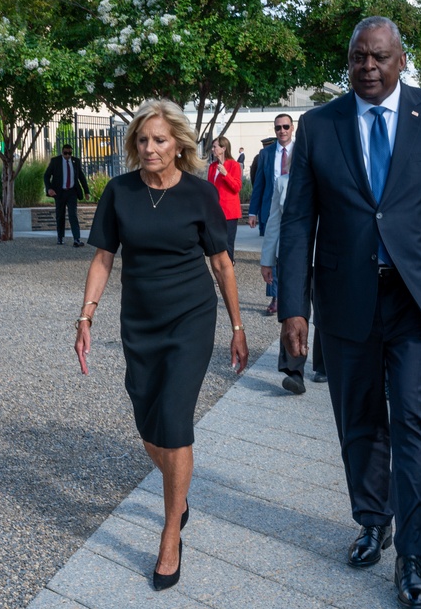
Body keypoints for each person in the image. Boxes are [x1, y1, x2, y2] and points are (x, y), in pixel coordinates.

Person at [278, 16, 421, 609]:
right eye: (357, 58)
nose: (367, 67)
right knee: (359, 417)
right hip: (347, 298)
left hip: (418, 296)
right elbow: (298, 221)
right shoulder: (320, 127)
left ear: (401, 61)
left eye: (378, 57)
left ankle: (413, 554)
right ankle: (373, 520)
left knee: (416, 421)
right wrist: (292, 308)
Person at [74, 99, 248, 592]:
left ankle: (170, 531)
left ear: (178, 146)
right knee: (149, 425)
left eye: (160, 140)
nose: (150, 148)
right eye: (143, 140)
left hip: (190, 319)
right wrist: (86, 315)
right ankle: (181, 492)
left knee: (174, 422)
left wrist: (237, 327)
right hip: (140, 323)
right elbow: (104, 259)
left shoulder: (199, 194)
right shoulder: (119, 192)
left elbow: (222, 264)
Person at [259, 149, 326, 394]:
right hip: (293, 258)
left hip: (326, 257)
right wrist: (267, 260)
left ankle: (323, 365)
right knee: (292, 311)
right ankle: (293, 371)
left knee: (325, 311)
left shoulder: (329, 181)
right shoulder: (283, 183)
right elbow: (274, 221)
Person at [249, 114, 294, 315]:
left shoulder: (301, 151)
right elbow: (259, 184)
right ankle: (275, 297)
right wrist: (253, 211)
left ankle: (293, 294)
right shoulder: (266, 154)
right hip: (271, 210)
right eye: (278, 128)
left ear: (292, 128)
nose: (282, 130)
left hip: (294, 212)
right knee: (271, 253)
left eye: (285, 126)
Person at [44, 144, 91, 247]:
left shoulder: (76, 161)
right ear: (62, 152)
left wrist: (86, 191)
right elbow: (46, 176)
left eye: (69, 153)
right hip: (59, 192)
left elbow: (81, 177)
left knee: (73, 215)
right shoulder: (55, 161)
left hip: (72, 192)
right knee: (60, 215)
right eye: (65, 153)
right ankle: (60, 238)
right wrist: (49, 188)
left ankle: (77, 239)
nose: (67, 155)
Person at [207, 135, 243, 263]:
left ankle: (228, 275)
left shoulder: (234, 165)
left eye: (215, 146)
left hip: (229, 212)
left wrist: (226, 174)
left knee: (228, 244)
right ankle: (219, 274)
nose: (213, 149)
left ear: (223, 148)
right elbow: (210, 188)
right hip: (215, 212)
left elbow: (237, 187)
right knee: (216, 244)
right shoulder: (212, 167)